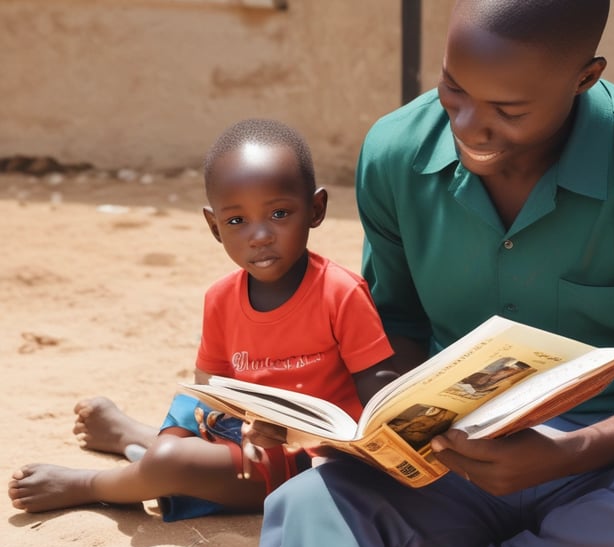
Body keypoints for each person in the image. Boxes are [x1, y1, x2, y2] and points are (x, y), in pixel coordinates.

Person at [257, 1, 614, 547]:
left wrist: (570, 455)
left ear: (584, 78)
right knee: (312, 507)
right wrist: (376, 429)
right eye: (454, 87)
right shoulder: (396, 152)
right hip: (448, 472)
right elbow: (394, 323)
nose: (468, 125)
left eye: (508, 108)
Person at [8, 118, 394, 520]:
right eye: (236, 221)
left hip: (310, 460)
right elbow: (208, 388)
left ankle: (92, 484)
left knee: (170, 462)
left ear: (316, 210)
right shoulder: (221, 297)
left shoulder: (340, 291)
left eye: (279, 213)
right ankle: (137, 440)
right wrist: (218, 421)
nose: (259, 235)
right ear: (214, 227)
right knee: (177, 435)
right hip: (243, 439)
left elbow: (377, 387)